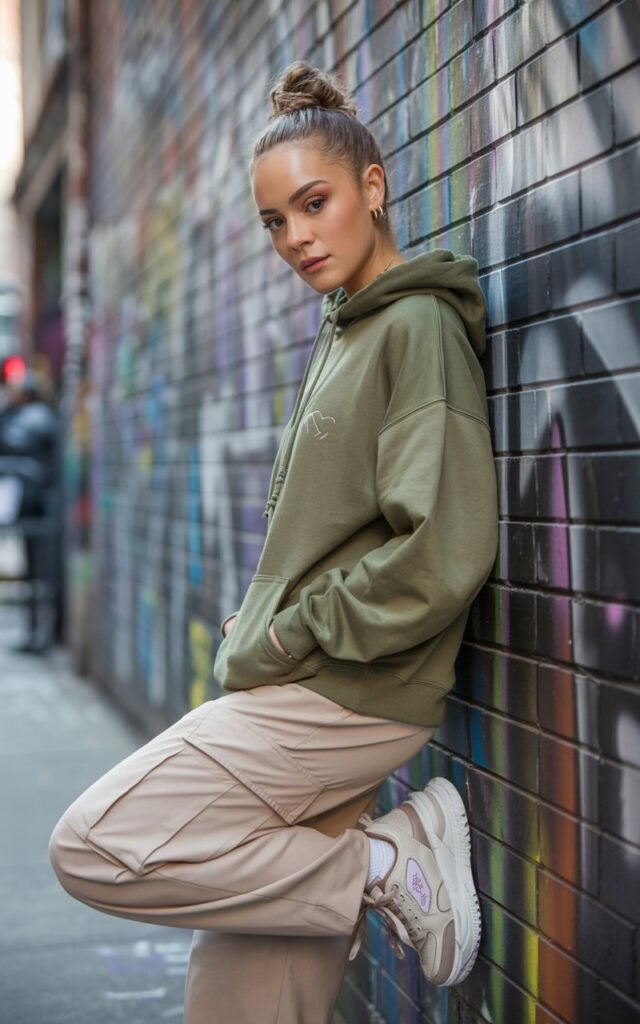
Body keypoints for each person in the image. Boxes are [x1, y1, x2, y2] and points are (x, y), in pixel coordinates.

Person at [48, 62, 499, 1023]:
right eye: (274, 222)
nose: (295, 237)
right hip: (319, 682)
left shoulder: (415, 327)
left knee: (98, 842)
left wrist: (291, 632)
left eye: (314, 203)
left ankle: (386, 862)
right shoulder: (346, 331)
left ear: (372, 189)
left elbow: (445, 549)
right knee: (247, 1001)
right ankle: (365, 868)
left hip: (339, 692)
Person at [0, 368, 59, 652]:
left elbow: (12, 446)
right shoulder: (28, 417)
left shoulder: (34, 418)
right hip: (35, 512)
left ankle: (41, 635)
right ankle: (37, 634)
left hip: (40, 512)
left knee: (39, 577)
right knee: (34, 577)